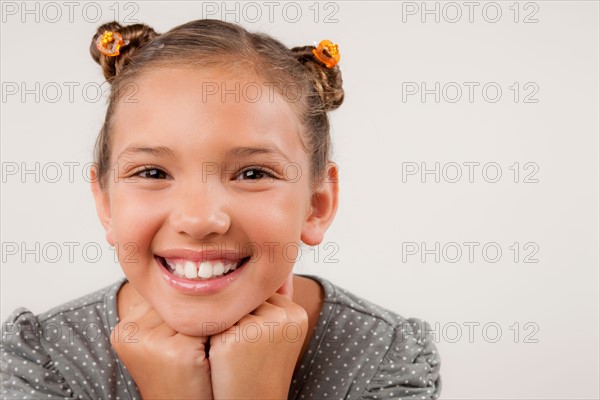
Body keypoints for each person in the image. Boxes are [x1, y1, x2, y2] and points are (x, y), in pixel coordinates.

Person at [1, 19, 441, 399]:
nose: (199, 220)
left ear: (316, 205)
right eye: (153, 173)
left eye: (252, 174)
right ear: (106, 202)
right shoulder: (42, 358)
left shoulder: (385, 356)